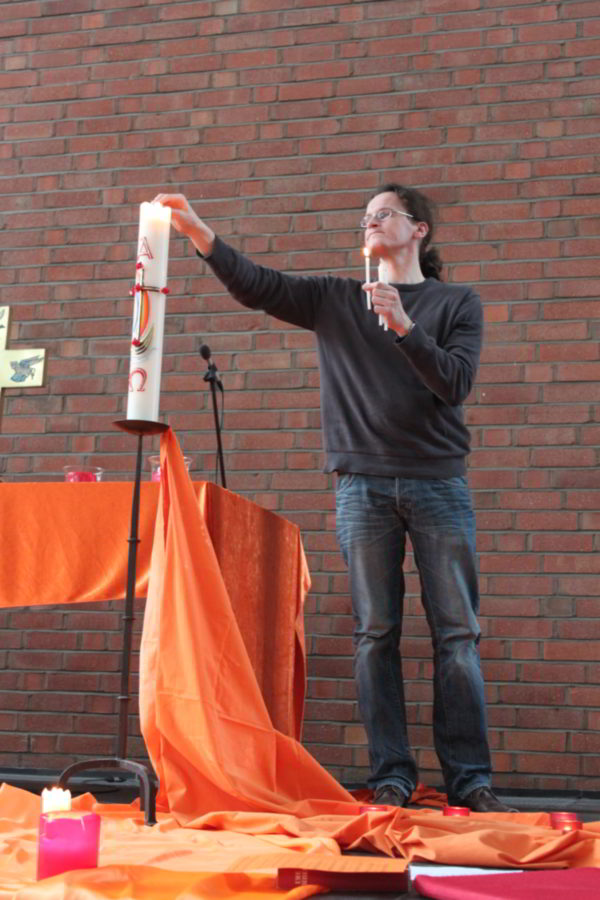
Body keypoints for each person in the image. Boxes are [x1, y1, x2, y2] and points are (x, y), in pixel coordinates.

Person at [153, 183, 516, 813]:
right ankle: (392, 776)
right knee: (375, 633)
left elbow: (455, 383)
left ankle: (470, 781)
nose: (371, 222)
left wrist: (403, 327)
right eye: (366, 216)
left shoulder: (456, 302)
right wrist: (197, 232)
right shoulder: (336, 298)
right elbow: (257, 285)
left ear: (419, 229)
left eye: (384, 213)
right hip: (361, 485)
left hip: (437, 482)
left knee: (457, 635)